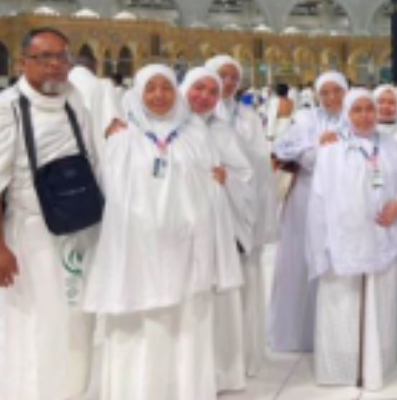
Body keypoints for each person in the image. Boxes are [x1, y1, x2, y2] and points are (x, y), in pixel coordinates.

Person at [0, 27, 97, 400]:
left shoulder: (74, 102)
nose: (55, 65)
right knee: (28, 326)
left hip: (75, 233)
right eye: (44, 57)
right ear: (23, 63)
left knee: (71, 324)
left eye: (62, 57)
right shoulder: (2, 110)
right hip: (28, 237)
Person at [85, 64, 235, 399]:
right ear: (138, 92)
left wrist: (217, 181)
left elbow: (213, 182)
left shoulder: (195, 132)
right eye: (150, 88)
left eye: (166, 87)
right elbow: (109, 193)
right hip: (137, 248)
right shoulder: (121, 135)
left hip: (185, 248)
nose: (159, 95)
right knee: (141, 320)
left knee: (186, 322)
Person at [306, 88, 397, 390]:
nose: (365, 116)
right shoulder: (331, 150)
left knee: (379, 303)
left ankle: (378, 364)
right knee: (343, 304)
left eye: (369, 109)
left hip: (382, 238)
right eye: (357, 110)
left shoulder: (392, 147)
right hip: (343, 242)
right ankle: (343, 367)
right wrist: (320, 246)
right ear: (347, 114)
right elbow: (318, 202)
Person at [181, 66, 259, 392]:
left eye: (212, 92)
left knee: (218, 303)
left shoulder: (221, 129)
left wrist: (228, 178)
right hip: (180, 231)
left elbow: (246, 175)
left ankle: (220, 372)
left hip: (217, 228)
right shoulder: (170, 127)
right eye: (198, 88)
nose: (205, 97)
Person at [208, 55, 281, 374]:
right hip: (211, 206)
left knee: (246, 280)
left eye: (233, 77)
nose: (228, 82)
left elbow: (260, 167)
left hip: (244, 205)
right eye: (222, 75)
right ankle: (214, 362)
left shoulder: (248, 116)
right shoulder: (196, 112)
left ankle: (243, 356)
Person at [271, 71, 350, 353]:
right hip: (305, 197)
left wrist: (332, 147)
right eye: (324, 92)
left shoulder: (355, 116)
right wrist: (318, 145)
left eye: (337, 91)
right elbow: (282, 147)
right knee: (300, 259)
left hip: (343, 197)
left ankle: (335, 334)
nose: (331, 97)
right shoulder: (306, 119)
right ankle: (296, 334)